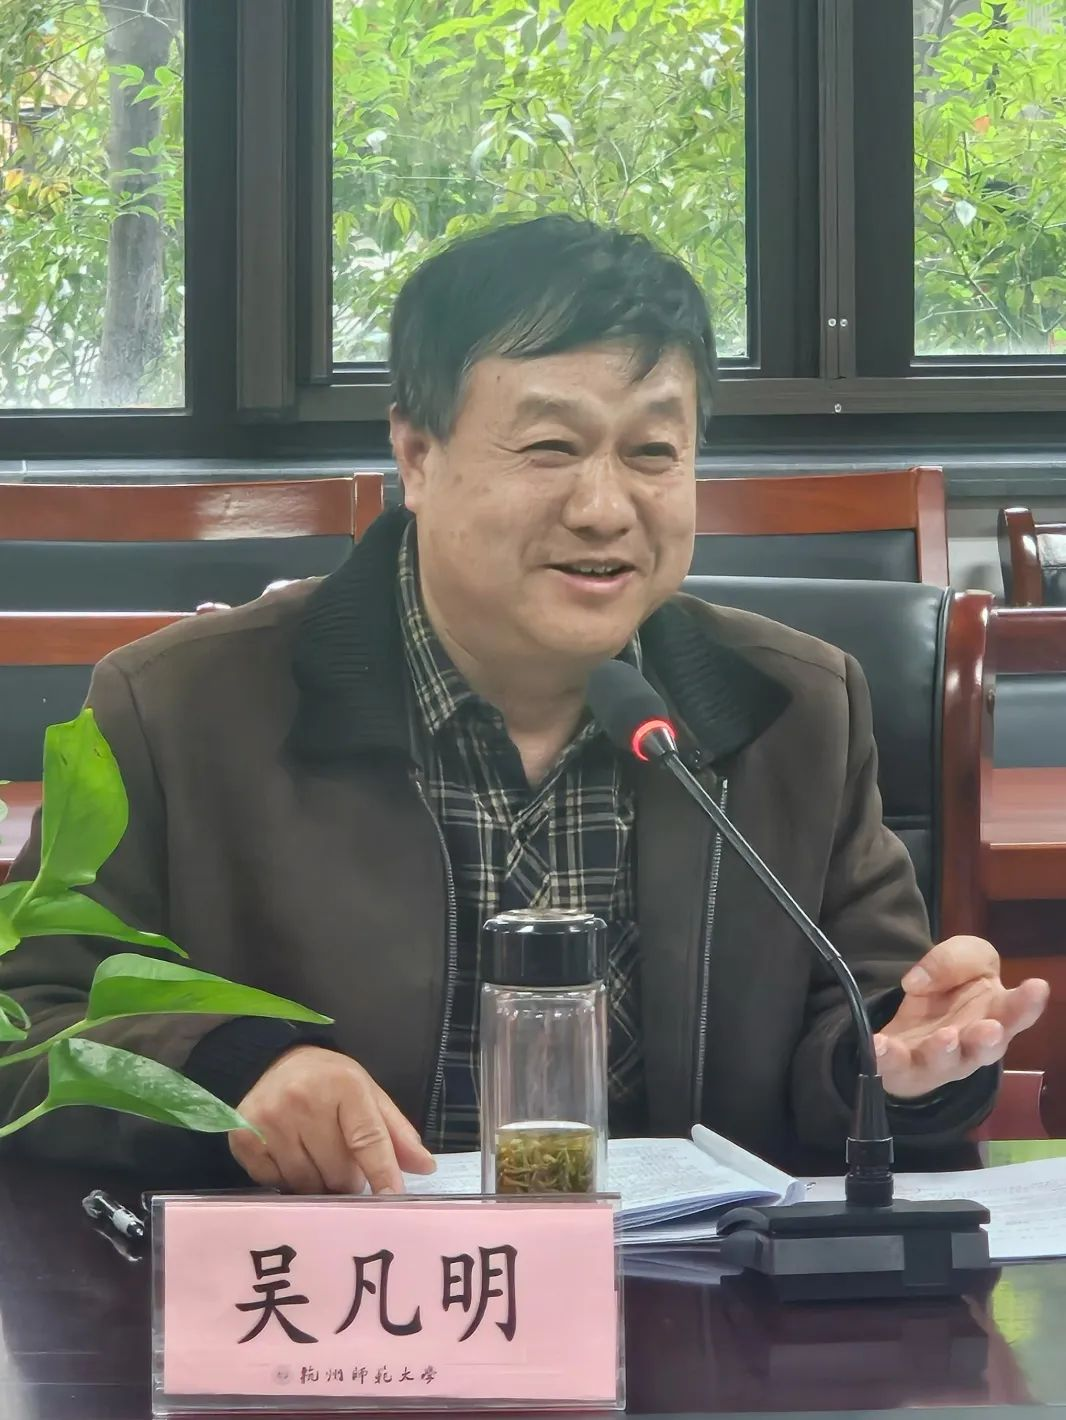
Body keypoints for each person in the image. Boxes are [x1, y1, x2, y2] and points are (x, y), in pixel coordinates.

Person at [0, 217, 1047, 1192]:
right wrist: (235, 1073)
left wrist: (908, 1064)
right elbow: (25, 1030)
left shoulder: (797, 709)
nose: (603, 508)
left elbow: (863, 1028)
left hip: (686, 1299)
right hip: (346, 1301)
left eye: (652, 453)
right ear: (417, 455)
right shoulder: (177, 709)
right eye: (550, 448)